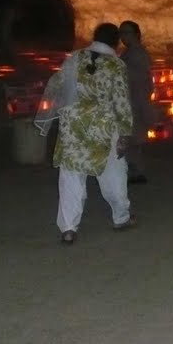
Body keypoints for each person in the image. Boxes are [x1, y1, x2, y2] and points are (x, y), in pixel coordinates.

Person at [35, 23, 135, 244]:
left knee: (71, 176)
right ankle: (121, 217)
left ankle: (68, 228)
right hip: (104, 126)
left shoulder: (74, 59)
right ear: (115, 42)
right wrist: (126, 131)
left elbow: (57, 84)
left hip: (73, 126)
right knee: (113, 173)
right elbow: (121, 101)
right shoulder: (115, 65)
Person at [120, 20, 155, 184]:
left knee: (132, 138)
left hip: (135, 100)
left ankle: (133, 171)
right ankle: (134, 171)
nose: (123, 36)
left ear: (136, 34)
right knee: (132, 139)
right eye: (121, 33)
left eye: (126, 32)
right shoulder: (129, 53)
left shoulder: (137, 54)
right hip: (131, 100)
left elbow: (143, 80)